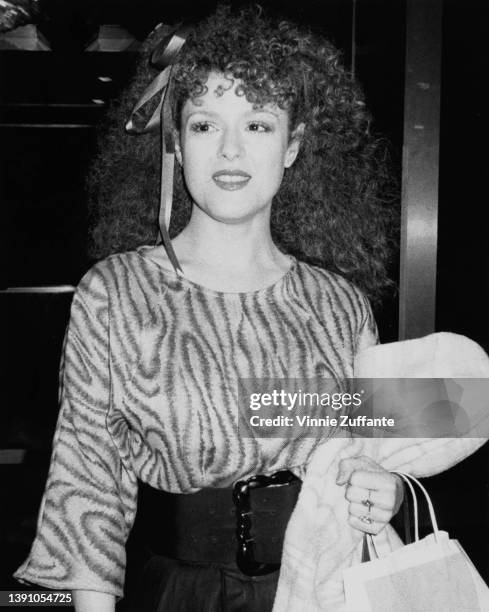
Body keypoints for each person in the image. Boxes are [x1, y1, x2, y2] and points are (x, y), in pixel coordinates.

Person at [14, 5, 404, 611]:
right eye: (204, 125)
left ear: (293, 147)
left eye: (257, 125)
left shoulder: (340, 305)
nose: (229, 150)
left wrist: (388, 491)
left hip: (324, 588)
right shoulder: (115, 294)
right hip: (181, 594)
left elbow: (382, 449)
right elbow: (86, 488)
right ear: (175, 140)